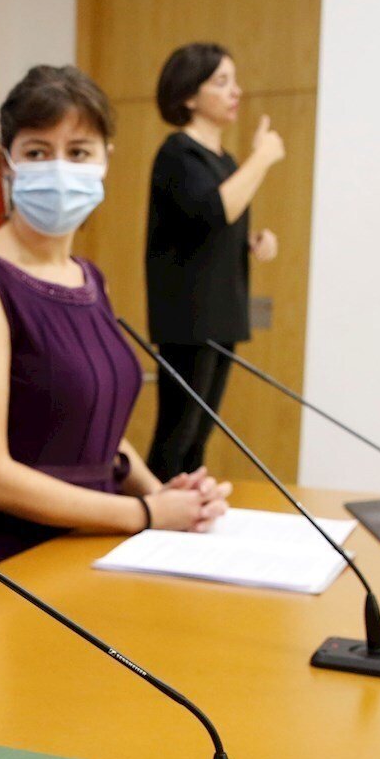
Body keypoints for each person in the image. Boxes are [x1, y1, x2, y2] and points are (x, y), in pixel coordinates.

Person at [0, 65, 230, 603]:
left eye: (78, 152)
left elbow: (92, 427)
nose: (58, 168)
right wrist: (144, 513)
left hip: (83, 540)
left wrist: (169, 497)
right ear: (8, 163)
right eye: (37, 151)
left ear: (105, 160)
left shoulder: (88, 278)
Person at [145, 43, 284, 480]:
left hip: (222, 313)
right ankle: (154, 513)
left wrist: (254, 241)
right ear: (189, 95)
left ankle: (188, 512)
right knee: (176, 436)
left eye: (234, 81)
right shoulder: (177, 153)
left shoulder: (225, 161)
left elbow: (214, 226)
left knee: (198, 439)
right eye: (221, 82)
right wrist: (263, 157)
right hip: (188, 318)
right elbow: (212, 210)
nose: (235, 92)